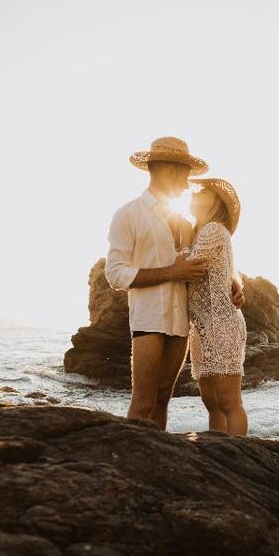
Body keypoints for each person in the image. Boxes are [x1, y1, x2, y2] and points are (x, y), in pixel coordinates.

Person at [104, 136, 244, 429]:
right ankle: (131, 466)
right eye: (185, 174)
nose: (186, 183)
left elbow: (213, 261)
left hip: (182, 323)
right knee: (143, 402)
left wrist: (234, 282)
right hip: (149, 320)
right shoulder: (128, 215)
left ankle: (156, 464)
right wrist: (171, 272)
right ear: (170, 169)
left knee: (164, 397)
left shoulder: (185, 222)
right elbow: (115, 274)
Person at [183, 178, 249, 436]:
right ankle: (218, 453)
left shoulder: (213, 230)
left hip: (222, 324)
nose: (196, 193)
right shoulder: (201, 231)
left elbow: (190, 266)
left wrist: (185, 239)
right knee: (211, 404)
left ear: (216, 202)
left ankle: (239, 459)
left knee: (229, 403)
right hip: (201, 328)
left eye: (204, 191)